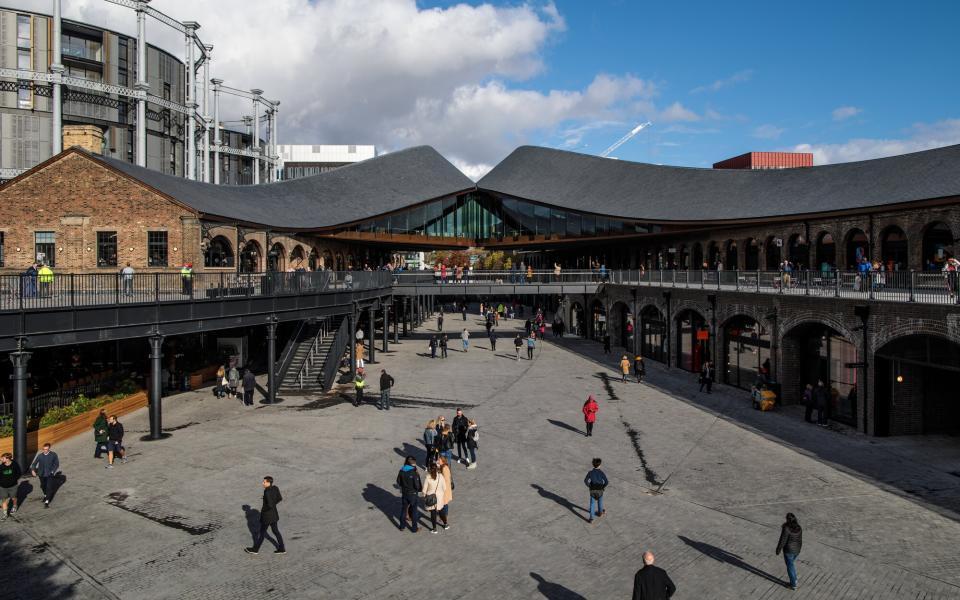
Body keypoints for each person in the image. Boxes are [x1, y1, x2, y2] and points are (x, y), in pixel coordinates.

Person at [245, 476, 286, 554]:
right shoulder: (275, 488)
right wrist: (269, 501)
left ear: (268, 483)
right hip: (274, 515)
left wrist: (264, 510)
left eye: (264, 482)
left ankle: (255, 549)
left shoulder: (266, 492)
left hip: (267, 516)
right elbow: (279, 498)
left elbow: (269, 505)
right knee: (276, 531)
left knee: (262, 532)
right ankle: (282, 548)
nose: (262, 483)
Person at [775, 512, 803, 590]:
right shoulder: (799, 527)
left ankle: (793, 584)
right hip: (797, 551)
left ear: (787, 520)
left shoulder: (786, 528)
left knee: (790, 567)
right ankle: (795, 580)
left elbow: (782, 540)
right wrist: (799, 549)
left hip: (789, 551)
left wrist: (778, 549)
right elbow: (800, 540)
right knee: (791, 565)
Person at [396, 456, 422, 532]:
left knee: (404, 509)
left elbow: (398, 481)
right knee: (414, 511)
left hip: (404, 493)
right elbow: (417, 485)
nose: (415, 464)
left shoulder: (401, 470)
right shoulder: (414, 472)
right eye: (414, 463)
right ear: (412, 463)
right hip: (413, 494)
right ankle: (414, 528)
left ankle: (402, 526)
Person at [30, 443, 60, 508]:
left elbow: (56, 464)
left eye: (46, 449)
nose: (45, 450)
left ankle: (46, 502)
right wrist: (33, 470)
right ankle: (46, 495)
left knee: (49, 487)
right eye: (44, 449)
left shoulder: (53, 455)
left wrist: (53, 471)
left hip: (50, 474)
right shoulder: (40, 455)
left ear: (49, 448)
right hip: (41, 474)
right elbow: (34, 464)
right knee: (43, 486)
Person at [421, 462, 447, 534]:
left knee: (433, 513)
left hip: (431, 497)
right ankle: (445, 524)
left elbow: (424, 489)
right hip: (439, 497)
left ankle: (434, 529)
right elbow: (444, 487)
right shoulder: (440, 476)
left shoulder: (428, 477)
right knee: (441, 511)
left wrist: (424, 496)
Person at [584, 458, 608, 523]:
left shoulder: (590, 473)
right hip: (600, 490)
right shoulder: (601, 473)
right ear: (599, 465)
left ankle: (591, 518)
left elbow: (585, 481)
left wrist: (590, 486)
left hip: (593, 490)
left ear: (593, 465)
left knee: (592, 503)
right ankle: (600, 512)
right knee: (600, 502)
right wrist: (603, 487)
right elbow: (606, 482)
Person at [1, 453, 22, 519]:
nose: (1, 459)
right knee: (4, 500)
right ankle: (5, 514)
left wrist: (14, 480)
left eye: (3, 458)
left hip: (13, 486)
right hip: (3, 487)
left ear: (7, 459)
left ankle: (15, 506)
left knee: (13, 498)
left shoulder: (15, 465)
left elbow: (19, 473)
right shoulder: (1, 466)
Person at [436, 455, 454, 529]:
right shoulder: (442, 467)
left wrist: (442, 489)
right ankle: (443, 515)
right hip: (444, 489)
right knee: (444, 502)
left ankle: (444, 516)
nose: (437, 461)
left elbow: (446, 480)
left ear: (442, 461)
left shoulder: (445, 468)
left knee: (444, 503)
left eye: (439, 460)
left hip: (445, 489)